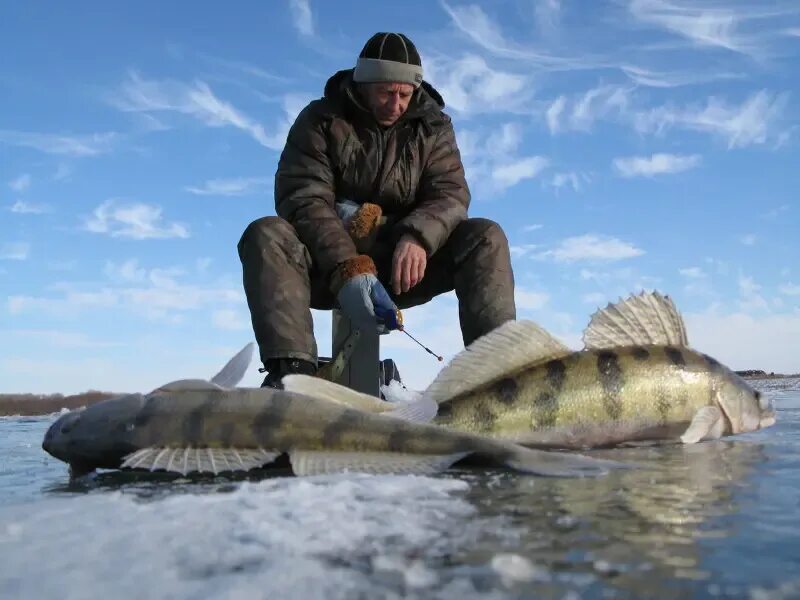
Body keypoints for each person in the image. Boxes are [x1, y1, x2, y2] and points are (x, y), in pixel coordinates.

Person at [237, 32, 517, 388]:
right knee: (266, 234)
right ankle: (292, 376)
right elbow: (303, 197)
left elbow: (450, 194)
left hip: (402, 267)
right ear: (364, 83)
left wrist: (417, 237)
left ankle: (500, 383)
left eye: (405, 94)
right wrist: (349, 268)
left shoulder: (433, 128)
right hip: (328, 266)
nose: (396, 104)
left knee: (485, 237)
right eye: (386, 92)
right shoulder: (320, 120)